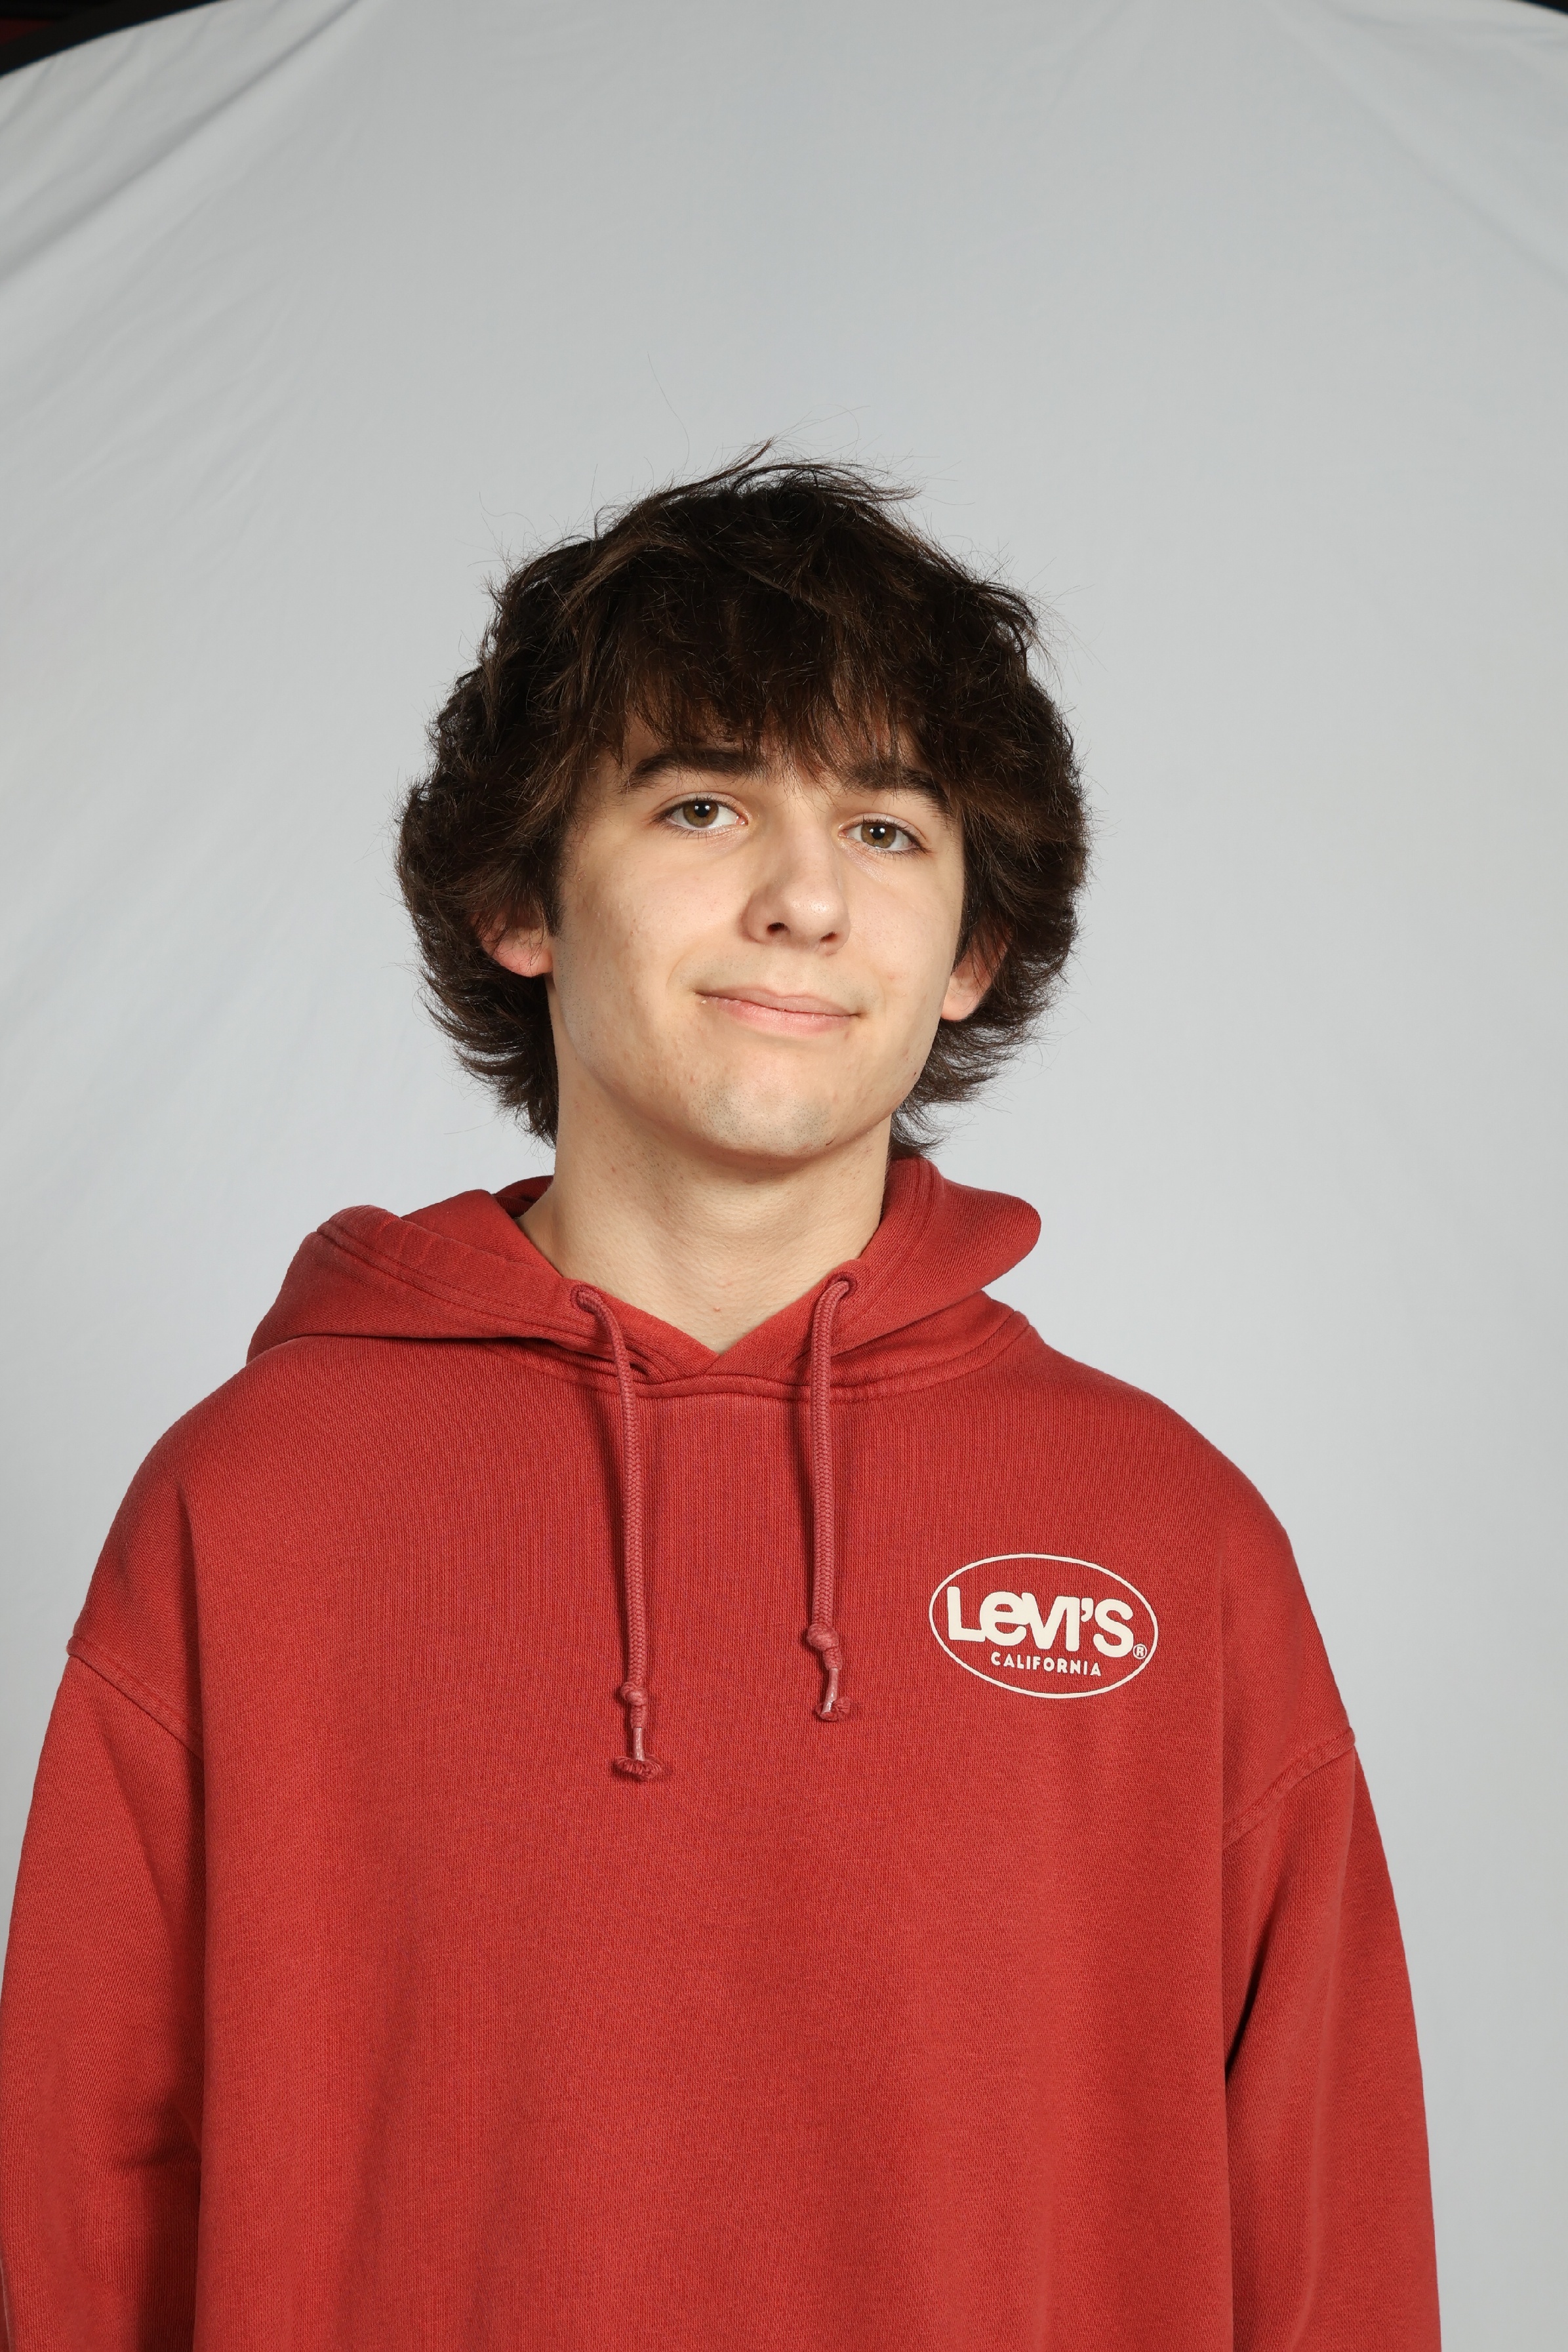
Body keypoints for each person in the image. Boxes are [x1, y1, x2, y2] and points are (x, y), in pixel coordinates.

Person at [0, 455, 1440, 2349]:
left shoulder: (1171, 1541)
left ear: (973, 952)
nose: (805, 900)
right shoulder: (254, 1508)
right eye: (703, 803)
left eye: (889, 830)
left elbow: (1333, 2245)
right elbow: (77, 2216)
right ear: (520, 895)